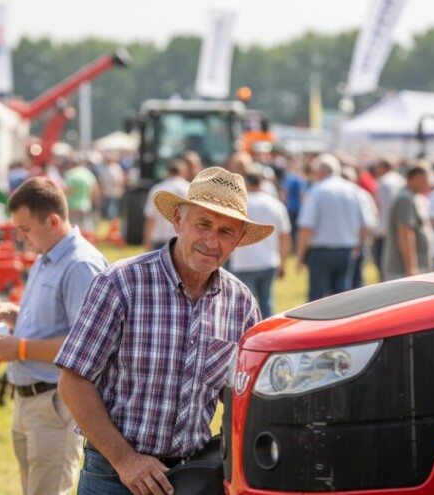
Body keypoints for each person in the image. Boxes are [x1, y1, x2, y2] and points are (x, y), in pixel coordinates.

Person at [55, 167, 273, 495]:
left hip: (192, 475)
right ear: (177, 220)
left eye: (226, 231)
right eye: (203, 224)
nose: (212, 241)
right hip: (112, 474)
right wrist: (125, 459)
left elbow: (240, 399)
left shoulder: (241, 304)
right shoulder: (121, 283)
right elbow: (73, 380)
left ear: (239, 239)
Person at [0, 177, 107, 495]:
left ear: (53, 221)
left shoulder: (80, 265)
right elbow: (55, 323)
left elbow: (86, 347)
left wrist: (20, 348)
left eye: (24, 229)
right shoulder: (47, 255)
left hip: (56, 403)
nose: (21, 238)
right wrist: (14, 314)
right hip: (31, 401)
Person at [296, 153, 369, 301]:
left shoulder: (317, 190)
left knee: (316, 300)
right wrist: (358, 247)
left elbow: (307, 227)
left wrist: (300, 255)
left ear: (319, 172)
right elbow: (365, 225)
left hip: (321, 252)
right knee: (342, 300)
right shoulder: (354, 190)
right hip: (347, 250)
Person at [228, 171, 292, 317]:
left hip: (243, 261)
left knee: (243, 307)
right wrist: (283, 262)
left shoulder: (239, 204)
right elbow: (284, 237)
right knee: (267, 303)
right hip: (269, 261)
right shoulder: (276, 204)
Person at [382, 163, 434, 281]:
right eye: (426, 179)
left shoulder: (411, 197)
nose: (429, 184)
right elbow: (405, 232)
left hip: (408, 271)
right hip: (403, 272)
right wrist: (411, 268)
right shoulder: (405, 199)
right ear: (416, 178)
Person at [369, 158, 406, 278]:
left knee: (383, 268)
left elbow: (382, 208)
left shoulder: (384, 182)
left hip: (384, 232)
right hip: (398, 229)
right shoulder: (400, 180)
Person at [142, 159, 189, 251]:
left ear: (168, 172)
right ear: (183, 172)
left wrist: (147, 241)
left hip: (159, 238)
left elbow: (150, 217)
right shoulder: (188, 189)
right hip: (180, 238)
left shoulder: (157, 189)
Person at [64, 155, 101, 234]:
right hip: (86, 204)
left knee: (72, 229)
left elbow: (68, 190)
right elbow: (95, 191)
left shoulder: (70, 174)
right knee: (87, 227)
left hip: (72, 205)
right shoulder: (89, 174)